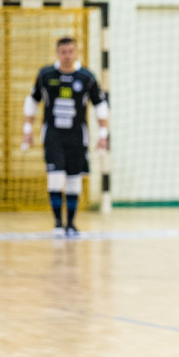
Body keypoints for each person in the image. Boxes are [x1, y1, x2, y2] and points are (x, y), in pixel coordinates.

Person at [22, 36, 109, 237]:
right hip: (53, 135)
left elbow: (100, 105)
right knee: (55, 177)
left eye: (70, 51)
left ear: (76, 52)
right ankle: (57, 224)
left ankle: (71, 224)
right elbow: (32, 101)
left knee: (73, 179)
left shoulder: (86, 77)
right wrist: (27, 129)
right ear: (57, 53)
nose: (67, 56)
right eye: (63, 52)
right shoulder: (46, 75)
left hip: (77, 136)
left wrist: (103, 134)